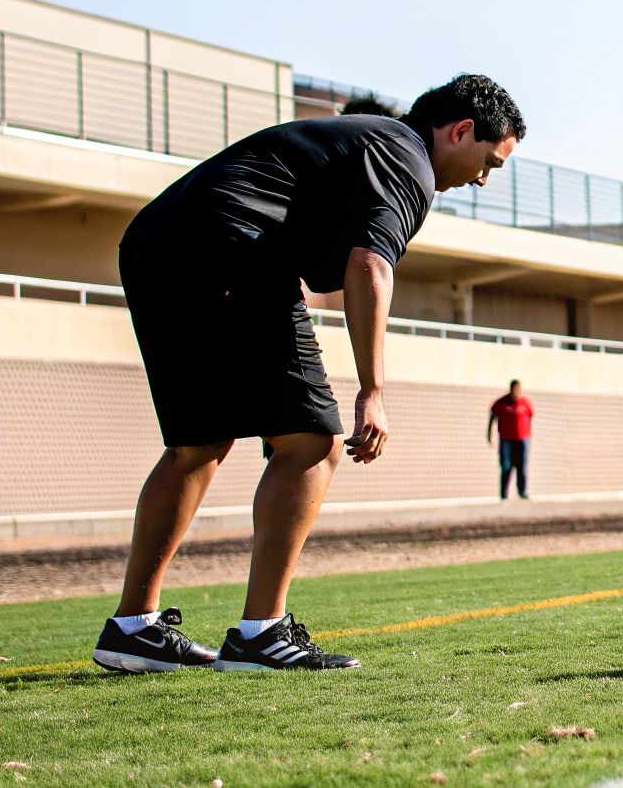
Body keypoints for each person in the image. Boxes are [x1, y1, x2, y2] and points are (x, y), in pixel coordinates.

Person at [92, 74, 525, 674]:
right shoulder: (408, 157)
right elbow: (369, 265)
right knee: (313, 445)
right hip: (229, 248)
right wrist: (373, 390)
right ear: (460, 131)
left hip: (156, 243)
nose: (481, 179)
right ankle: (261, 634)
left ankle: (132, 628)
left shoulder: (362, 145)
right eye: (489, 162)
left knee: (198, 444)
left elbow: (326, 259)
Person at [487, 379, 534, 500]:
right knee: (506, 466)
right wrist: (489, 435)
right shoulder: (502, 403)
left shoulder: (525, 403)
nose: (516, 393)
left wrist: (528, 435)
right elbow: (492, 417)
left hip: (522, 440)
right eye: (514, 390)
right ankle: (504, 494)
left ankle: (522, 491)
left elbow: (530, 417)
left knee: (522, 466)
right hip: (506, 440)